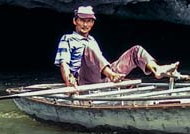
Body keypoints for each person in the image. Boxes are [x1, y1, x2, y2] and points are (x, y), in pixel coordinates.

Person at [54, 6, 182, 87]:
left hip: (103, 76)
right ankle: (112, 76)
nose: (85, 24)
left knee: (136, 50)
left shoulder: (92, 40)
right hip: (83, 79)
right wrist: (69, 83)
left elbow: (99, 62)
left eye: (89, 21)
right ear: (75, 21)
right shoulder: (68, 38)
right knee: (89, 50)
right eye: (82, 20)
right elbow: (64, 63)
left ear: (93, 23)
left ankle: (157, 70)